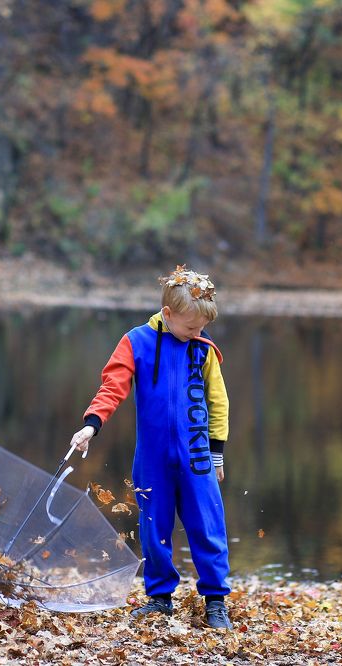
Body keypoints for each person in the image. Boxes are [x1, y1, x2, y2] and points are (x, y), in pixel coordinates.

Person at [69, 265, 233, 630]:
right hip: (153, 458)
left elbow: (218, 403)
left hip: (197, 458)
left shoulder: (202, 350)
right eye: (191, 327)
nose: (198, 334)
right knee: (153, 527)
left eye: (203, 328)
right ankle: (159, 599)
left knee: (207, 525)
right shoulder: (136, 342)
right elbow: (112, 386)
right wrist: (91, 426)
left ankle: (216, 600)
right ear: (169, 315)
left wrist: (216, 453)